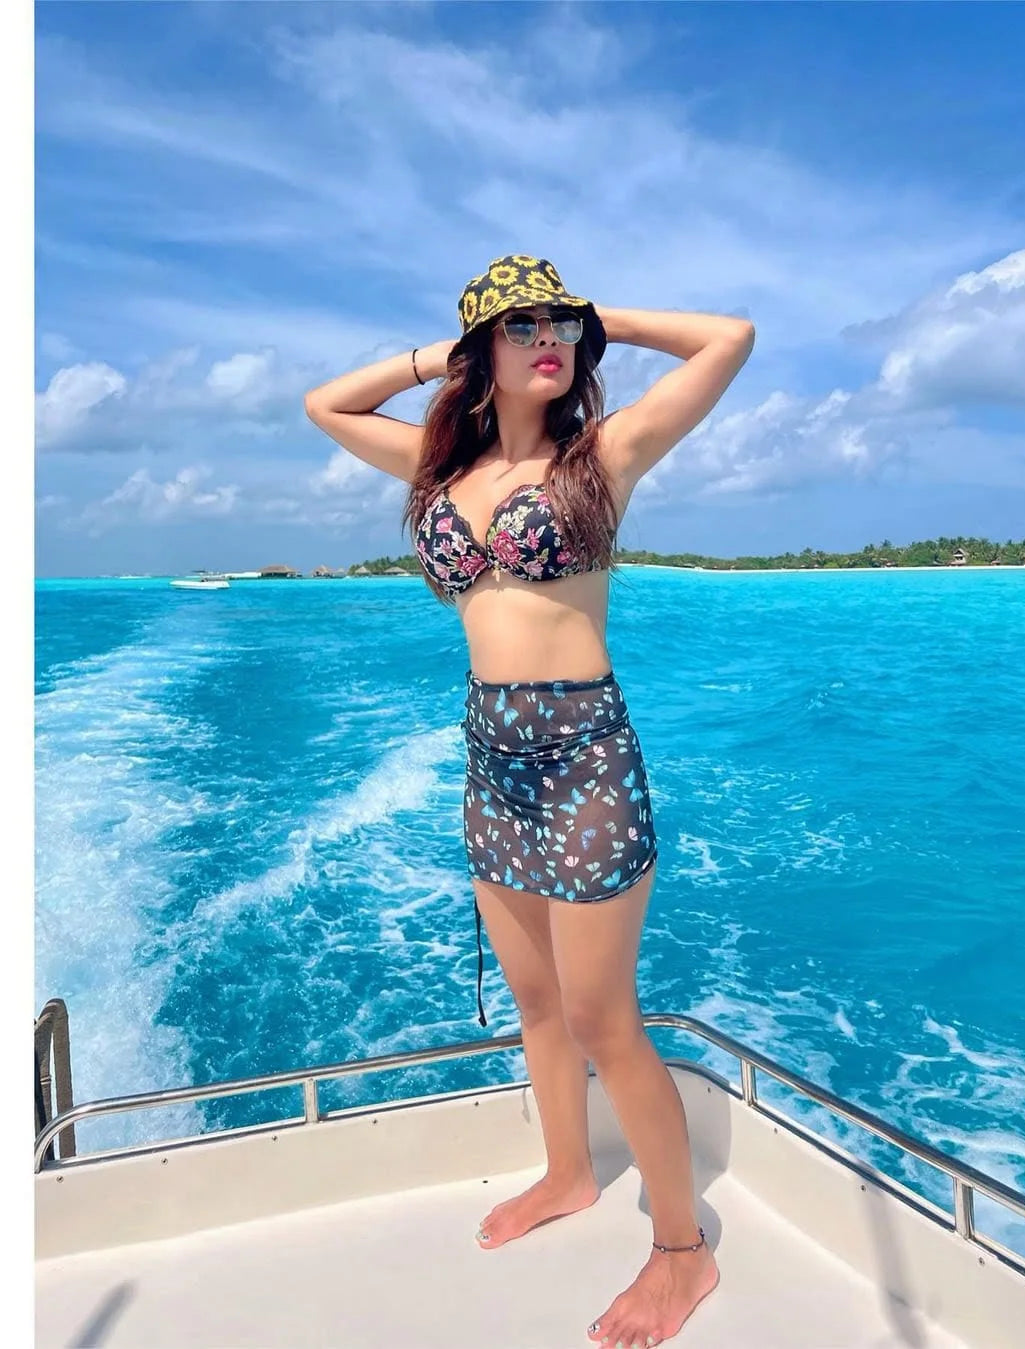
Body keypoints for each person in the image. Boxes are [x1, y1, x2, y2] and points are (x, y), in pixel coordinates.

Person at [304, 254, 754, 1349]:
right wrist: (440, 353)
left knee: (605, 1015)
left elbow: (728, 336)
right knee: (538, 1004)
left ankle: (682, 1252)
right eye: (521, 326)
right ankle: (565, 1171)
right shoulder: (432, 468)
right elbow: (324, 402)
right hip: (490, 754)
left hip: (585, 751)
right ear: (480, 355)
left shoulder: (603, 454)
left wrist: (605, 314)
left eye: (561, 324)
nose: (548, 337)